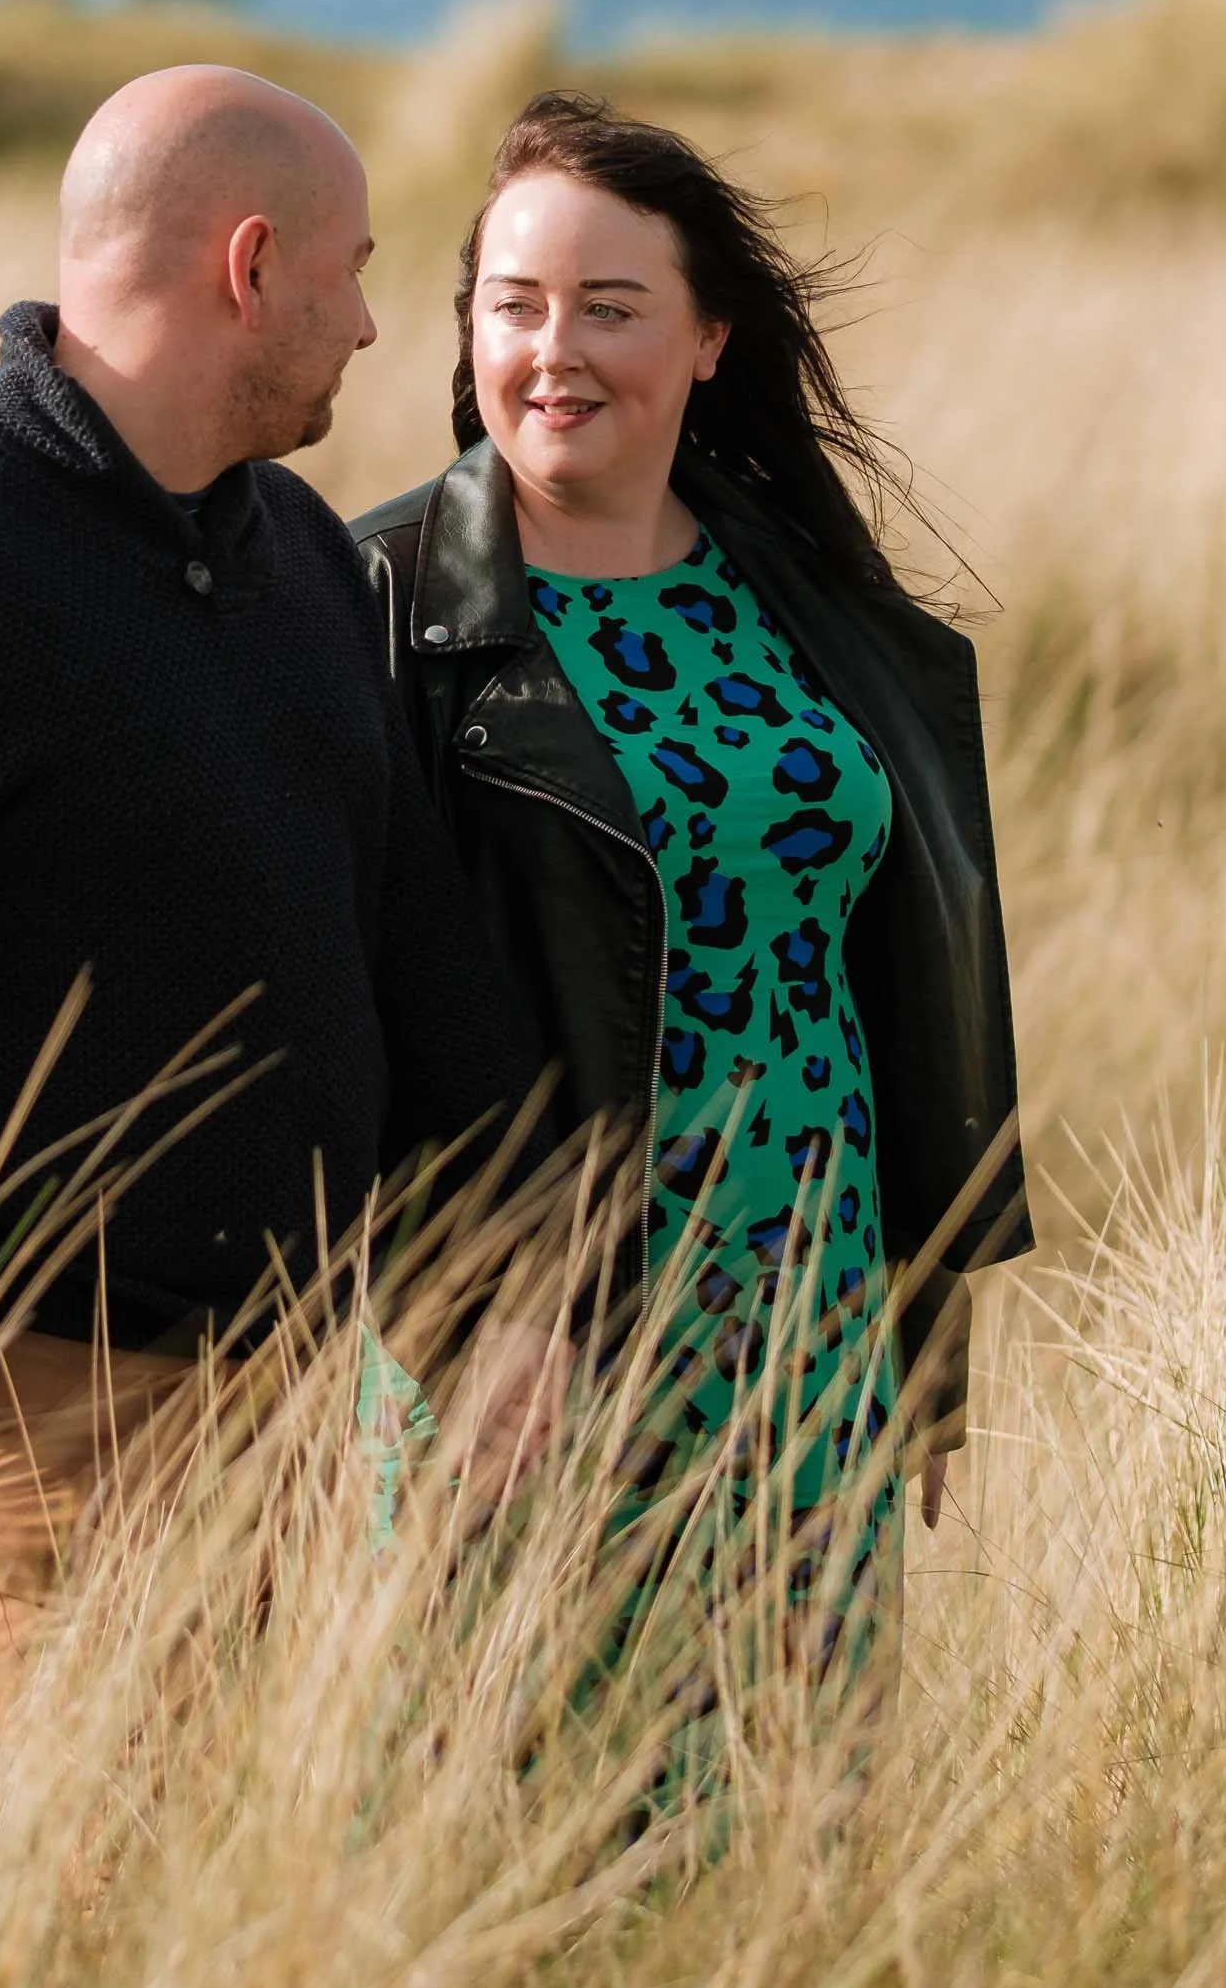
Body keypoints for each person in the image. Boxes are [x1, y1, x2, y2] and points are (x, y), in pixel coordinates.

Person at [0, 64, 538, 1715]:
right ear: (248, 267)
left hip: (290, 1381)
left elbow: (412, 949)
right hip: (35, 1391)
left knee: (260, 1893)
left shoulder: (296, 559)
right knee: (131, 1884)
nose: (371, 325)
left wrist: (516, 1290)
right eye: (350, 268)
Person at [352, 91, 1027, 1690]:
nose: (552, 350)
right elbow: (332, 999)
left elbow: (903, 968)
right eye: (512, 306)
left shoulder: (808, 590)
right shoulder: (372, 600)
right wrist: (457, 1321)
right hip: (531, 1344)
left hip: (810, 1317)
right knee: (515, 1811)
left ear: (710, 338)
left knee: (796, 1817)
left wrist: (926, 1323)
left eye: (610, 305)